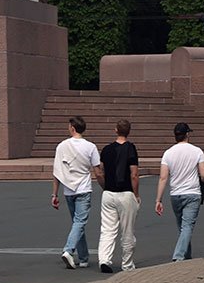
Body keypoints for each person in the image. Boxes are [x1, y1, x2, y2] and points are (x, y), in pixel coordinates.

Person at [155, 121, 204, 261]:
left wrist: (158, 200)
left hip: (175, 194)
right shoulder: (197, 151)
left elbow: (163, 178)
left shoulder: (168, 153)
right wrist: (203, 182)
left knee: (183, 226)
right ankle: (178, 256)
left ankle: (187, 256)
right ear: (187, 134)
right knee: (187, 226)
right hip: (192, 193)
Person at [52, 113, 100, 269]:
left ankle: (84, 257)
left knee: (77, 223)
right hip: (84, 188)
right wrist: (104, 186)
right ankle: (68, 250)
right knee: (79, 223)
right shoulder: (90, 147)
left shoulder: (62, 146)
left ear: (72, 128)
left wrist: (54, 194)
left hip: (68, 190)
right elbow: (97, 170)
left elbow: (57, 172)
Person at [97, 117, 141, 273]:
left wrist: (105, 187)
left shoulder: (106, 149)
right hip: (125, 193)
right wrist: (136, 194)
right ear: (128, 132)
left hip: (108, 193)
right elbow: (134, 174)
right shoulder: (131, 148)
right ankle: (127, 264)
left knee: (107, 229)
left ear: (115, 130)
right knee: (127, 230)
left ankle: (104, 259)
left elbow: (99, 172)